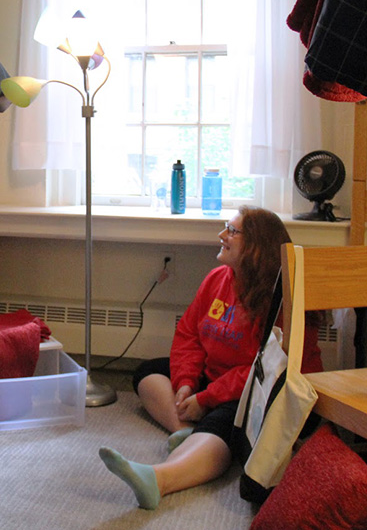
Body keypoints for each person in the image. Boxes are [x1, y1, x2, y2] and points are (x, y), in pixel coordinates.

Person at [98, 206, 324, 510]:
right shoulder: (218, 277)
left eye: (231, 231)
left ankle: (159, 479)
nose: (221, 236)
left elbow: (266, 369)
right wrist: (186, 385)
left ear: (257, 244)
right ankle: (189, 433)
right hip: (219, 380)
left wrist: (206, 399)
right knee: (148, 374)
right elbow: (189, 334)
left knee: (224, 420)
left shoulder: (283, 296)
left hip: (265, 390)